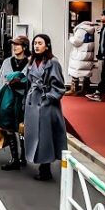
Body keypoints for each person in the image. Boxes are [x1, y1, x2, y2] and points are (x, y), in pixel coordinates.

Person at [22, 34, 68, 181]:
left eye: (40, 43)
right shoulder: (32, 62)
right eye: (35, 43)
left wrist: (48, 98)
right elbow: (28, 82)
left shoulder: (53, 63)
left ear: (47, 45)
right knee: (34, 134)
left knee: (45, 136)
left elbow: (59, 86)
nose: (36, 46)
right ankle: (41, 165)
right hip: (32, 102)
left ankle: (45, 167)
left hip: (46, 105)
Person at [0, 36, 31, 171]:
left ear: (24, 47)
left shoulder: (30, 64)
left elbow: (31, 82)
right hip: (7, 99)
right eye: (13, 44)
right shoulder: (7, 61)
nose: (15, 47)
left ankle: (23, 157)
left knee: (22, 129)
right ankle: (14, 158)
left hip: (23, 100)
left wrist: (21, 82)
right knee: (8, 128)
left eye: (18, 45)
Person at [67, 19, 97, 96]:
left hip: (80, 53)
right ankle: (85, 89)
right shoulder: (90, 28)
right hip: (87, 53)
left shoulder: (81, 29)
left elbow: (76, 42)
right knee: (86, 72)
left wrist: (70, 37)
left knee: (75, 70)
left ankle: (73, 89)